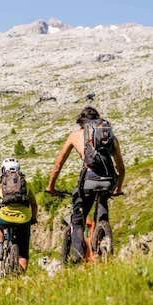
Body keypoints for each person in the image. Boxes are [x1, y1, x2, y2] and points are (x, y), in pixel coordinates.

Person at [45, 106, 125, 263]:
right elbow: (121, 168)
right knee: (102, 206)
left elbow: (58, 165)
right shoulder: (110, 137)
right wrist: (119, 187)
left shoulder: (75, 136)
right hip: (109, 180)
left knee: (77, 219)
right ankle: (103, 238)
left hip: (89, 180)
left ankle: (78, 258)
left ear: (81, 122)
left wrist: (51, 186)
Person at [0, 158, 39, 273]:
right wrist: (33, 218)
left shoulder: (0, 181)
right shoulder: (25, 183)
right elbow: (34, 204)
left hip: (5, 216)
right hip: (24, 217)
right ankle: (21, 275)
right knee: (23, 251)